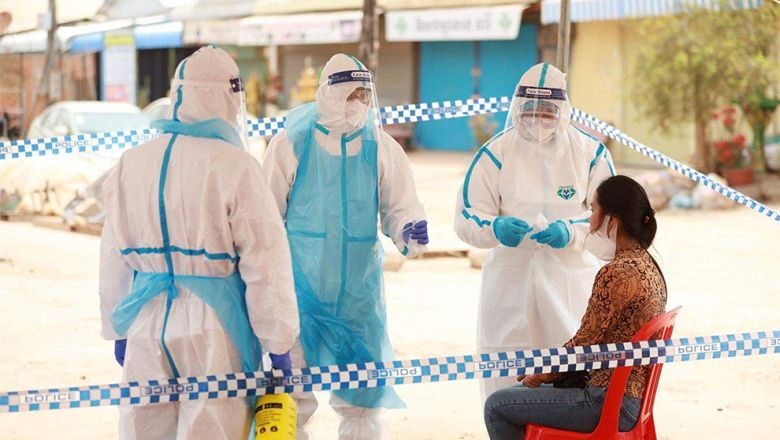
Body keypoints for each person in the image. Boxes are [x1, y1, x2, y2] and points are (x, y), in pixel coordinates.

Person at [99, 46, 300, 440]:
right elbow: (265, 262)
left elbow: (112, 256)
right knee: (213, 427)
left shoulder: (131, 162)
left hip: (145, 321)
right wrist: (279, 340)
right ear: (227, 97)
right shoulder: (236, 165)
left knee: (144, 428)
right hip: (215, 327)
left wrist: (116, 326)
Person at [263, 53, 429, 440]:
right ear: (328, 94)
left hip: (358, 294)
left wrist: (409, 230)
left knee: (362, 395)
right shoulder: (291, 143)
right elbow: (266, 215)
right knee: (291, 393)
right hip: (300, 290)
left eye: (364, 95)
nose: (358, 103)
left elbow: (400, 205)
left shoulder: (381, 147)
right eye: (350, 94)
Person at [454, 63, 616, 402]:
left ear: (563, 109)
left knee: (571, 373)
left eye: (547, 111)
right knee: (505, 376)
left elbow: (611, 218)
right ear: (517, 107)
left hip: (570, 282)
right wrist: (494, 227)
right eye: (531, 110)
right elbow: (467, 216)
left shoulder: (590, 153)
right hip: (510, 284)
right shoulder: (495, 153)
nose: (539, 118)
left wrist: (571, 232)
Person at [483, 175, 668, 439]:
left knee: (497, 406)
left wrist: (545, 372)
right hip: (631, 400)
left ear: (612, 220)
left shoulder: (616, 273)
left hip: (608, 402)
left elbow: (583, 345)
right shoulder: (650, 267)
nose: (590, 224)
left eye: (593, 211)